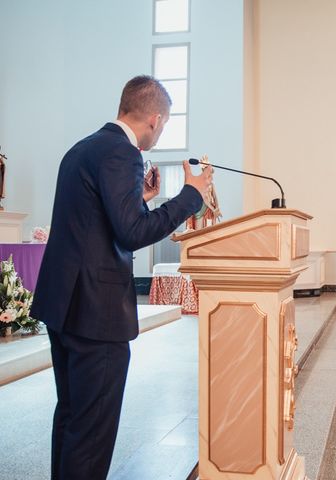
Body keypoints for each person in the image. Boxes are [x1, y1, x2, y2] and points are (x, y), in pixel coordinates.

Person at [31, 76, 212, 480]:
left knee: (72, 419)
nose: (159, 134)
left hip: (64, 307)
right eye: (162, 126)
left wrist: (142, 200)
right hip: (95, 315)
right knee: (92, 432)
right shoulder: (122, 154)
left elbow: (97, 223)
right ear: (154, 118)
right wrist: (190, 195)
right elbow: (132, 233)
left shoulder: (82, 149)